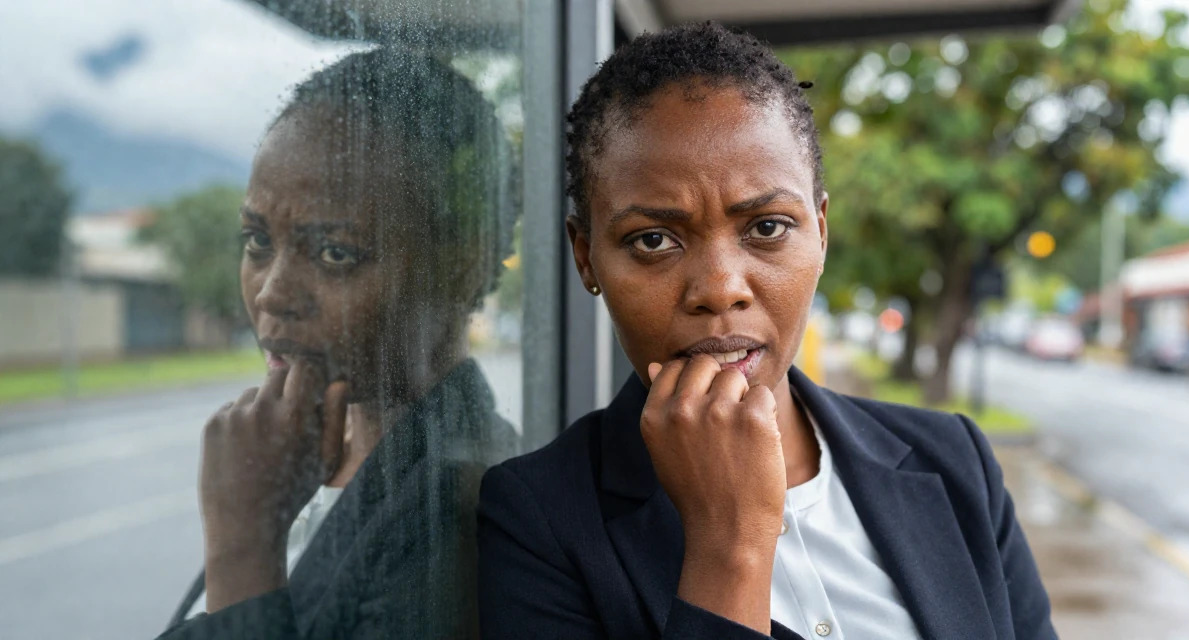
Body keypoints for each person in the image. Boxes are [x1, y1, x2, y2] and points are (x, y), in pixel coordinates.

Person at [477, 22, 1056, 640]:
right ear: (587, 258)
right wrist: (730, 545)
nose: (720, 288)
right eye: (653, 240)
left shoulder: (956, 462)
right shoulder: (539, 520)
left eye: (768, 227)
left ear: (821, 234)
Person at [158, 47, 518, 639]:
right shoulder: (301, 460)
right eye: (257, 241)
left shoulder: (458, 513)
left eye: (335, 252)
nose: (272, 294)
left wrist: (244, 547)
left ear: (460, 265)